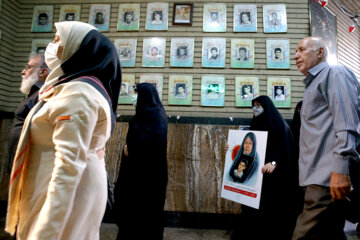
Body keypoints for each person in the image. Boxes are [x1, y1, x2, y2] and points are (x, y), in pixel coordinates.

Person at [5, 21, 122, 239]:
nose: (51, 45)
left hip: (64, 194)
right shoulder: (70, 87)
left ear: (79, 49)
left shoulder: (78, 93)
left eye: (58, 40)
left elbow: (68, 168)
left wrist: (45, 232)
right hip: (54, 185)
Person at [292, 37, 360, 239]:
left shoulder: (334, 73)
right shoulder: (313, 84)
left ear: (320, 52)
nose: (296, 56)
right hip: (316, 178)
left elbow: (346, 123)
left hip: (326, 179)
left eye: (302, 50)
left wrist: (340, 170)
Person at [230, 95, 299, 240]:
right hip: (256, 181)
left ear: (267, 107)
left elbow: (287, 153)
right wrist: (232, 149)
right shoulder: (255, 126)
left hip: (274, 184)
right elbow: (247, 150)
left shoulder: (281, 127)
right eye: (254, 105)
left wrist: (273, 164)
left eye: (259, 105)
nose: (255, 108)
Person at [114, 83, 168, 240]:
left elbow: (151, 145)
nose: (133, 97)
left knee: (146, 215)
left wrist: (133, 149)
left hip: (149, 177)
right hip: (135, 174)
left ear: (145, 95)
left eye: (136, 93)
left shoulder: (157, 116)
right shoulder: (143, 114)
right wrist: (128, 147)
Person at [8, 54, 49, 173]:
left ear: (43, 72)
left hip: (28, 167)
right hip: (19, 163)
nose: (22, 72)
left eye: (28, 67)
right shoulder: (32, 95)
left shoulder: (43, 96)